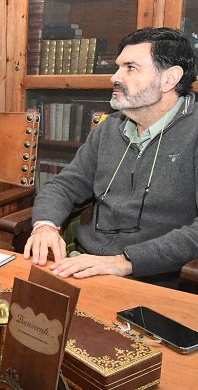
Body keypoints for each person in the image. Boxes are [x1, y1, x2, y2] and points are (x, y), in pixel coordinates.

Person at [24, 27, 198, 290]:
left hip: (156, 279)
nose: (114, 77)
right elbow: (64, 185)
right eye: (118, 67)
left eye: (130, 68)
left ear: (169, 78)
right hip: (84, 264)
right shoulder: (109, 128)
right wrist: (45, 225)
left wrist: (124, 262)